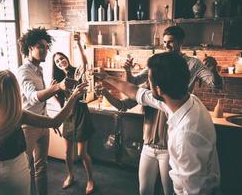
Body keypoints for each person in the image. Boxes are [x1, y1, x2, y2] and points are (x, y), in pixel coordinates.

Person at [94, 52, 221, 194]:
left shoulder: (186, 135)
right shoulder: (186, 100)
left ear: (159, 89)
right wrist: (106, 77)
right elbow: (136, 92)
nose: (146, 85)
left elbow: (194, 191)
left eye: (149, 80)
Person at [120, 25, 223, 195]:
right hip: (155, 119)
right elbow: (135, 83)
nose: (166, 46)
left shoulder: (193, 64)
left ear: (181, 42)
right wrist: (126, 70)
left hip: (178, 121)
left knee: (177, 182)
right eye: (164, 42)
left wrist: (214, 71)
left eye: (171, 42)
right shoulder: (158, 62)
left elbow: (215, 84)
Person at [0, 70, 86, 195]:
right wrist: (73, 97)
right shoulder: (18, 115)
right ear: (15, 92)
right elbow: (56, 121)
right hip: (16, 171)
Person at [18, 27, 73, 195]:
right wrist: (58, 87)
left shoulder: (39, 69)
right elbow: (33, 97)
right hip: (28, 126)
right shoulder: (24, 71)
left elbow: (40, 102)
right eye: (40, 47)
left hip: (42, 122)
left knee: (42, 166)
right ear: (30, 48)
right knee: (25, 169)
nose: (44, 50)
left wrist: (49, 119)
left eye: (46, 47)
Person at [52, 33, 95, 195]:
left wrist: (78, 44)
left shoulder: (76, 72)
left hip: (81, 114)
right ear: (55, 65)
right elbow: (62, 104)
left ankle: (90, 179)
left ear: (66, 59)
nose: (60, 62)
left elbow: (85, 63)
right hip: (68, 116)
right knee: (66, 152)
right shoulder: (58, 80)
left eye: (62, 59)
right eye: (57, 61)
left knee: (82, 153)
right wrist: (55, 92)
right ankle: (70, 176)